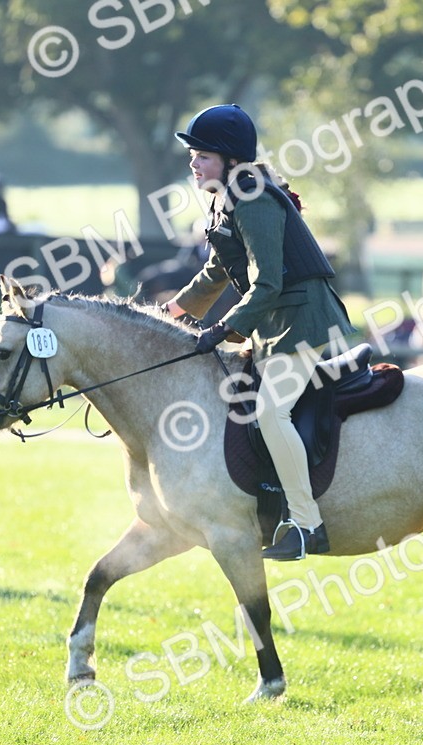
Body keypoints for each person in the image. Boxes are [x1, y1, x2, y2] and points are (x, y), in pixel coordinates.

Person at [164, 104, 357, 561]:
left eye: (203, 156)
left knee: (273, 413)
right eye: (193, 155)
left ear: (231, 160)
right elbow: (216, 273)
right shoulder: (226, 197)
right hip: (275, 326)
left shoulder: (251, 196)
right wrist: (166, 313)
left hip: (304, 322)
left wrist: (226, 327)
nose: (193, 163)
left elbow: (268, 280)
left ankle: (309, 526)